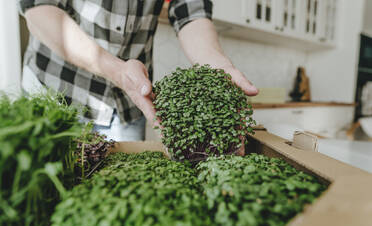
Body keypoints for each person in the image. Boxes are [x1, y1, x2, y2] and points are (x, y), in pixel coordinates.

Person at [19, 0, 258, 141]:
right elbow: (40, 11)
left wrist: (219, 65)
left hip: (130, 103)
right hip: (57, 93)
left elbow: (191, 14)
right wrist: (117, 70)